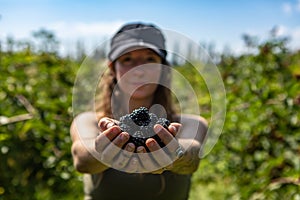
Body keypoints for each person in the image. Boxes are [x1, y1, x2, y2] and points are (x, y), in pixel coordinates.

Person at [70, 22, 208, 200]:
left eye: (150, 59)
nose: (139, 70)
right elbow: (82, 159)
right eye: (127, 59)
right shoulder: (89, 121)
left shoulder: (191, 124)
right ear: (113, 68)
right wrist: (106, 148)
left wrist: (176, 153)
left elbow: (192, 157)